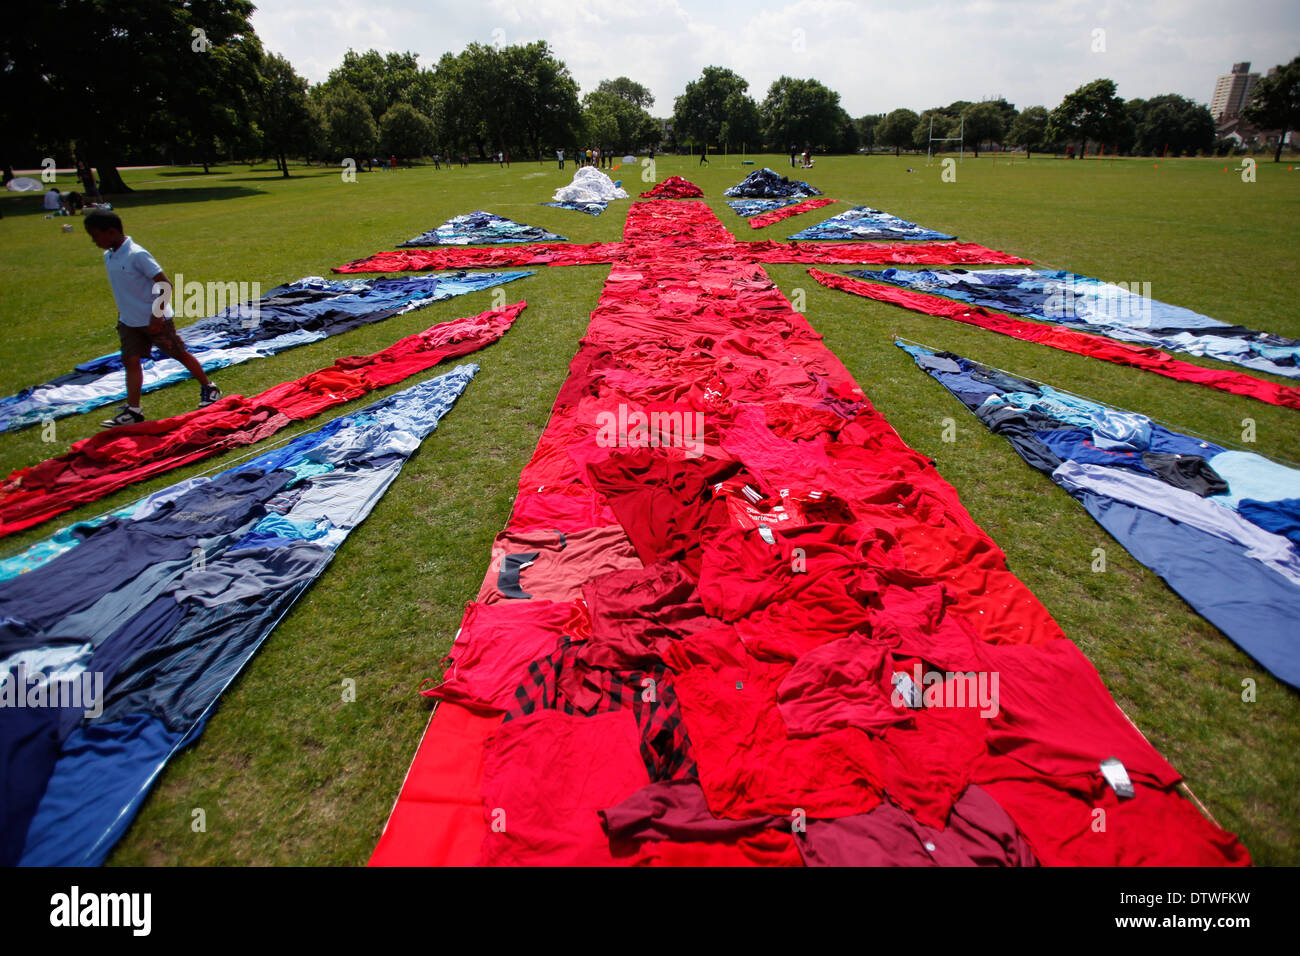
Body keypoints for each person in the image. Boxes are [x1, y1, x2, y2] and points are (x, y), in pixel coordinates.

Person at [83, 209, 221, 426]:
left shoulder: (137, 255)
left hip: (155, 320)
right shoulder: (109, 256)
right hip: (130, 322)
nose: (94, 241)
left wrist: (157, 317)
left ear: (111, 232)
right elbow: (125, 289)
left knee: (179, 354)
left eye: (95, 236)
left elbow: (165, 285)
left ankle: (209, 387)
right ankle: (134, 410)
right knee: (130, 361)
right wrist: (123, 313)